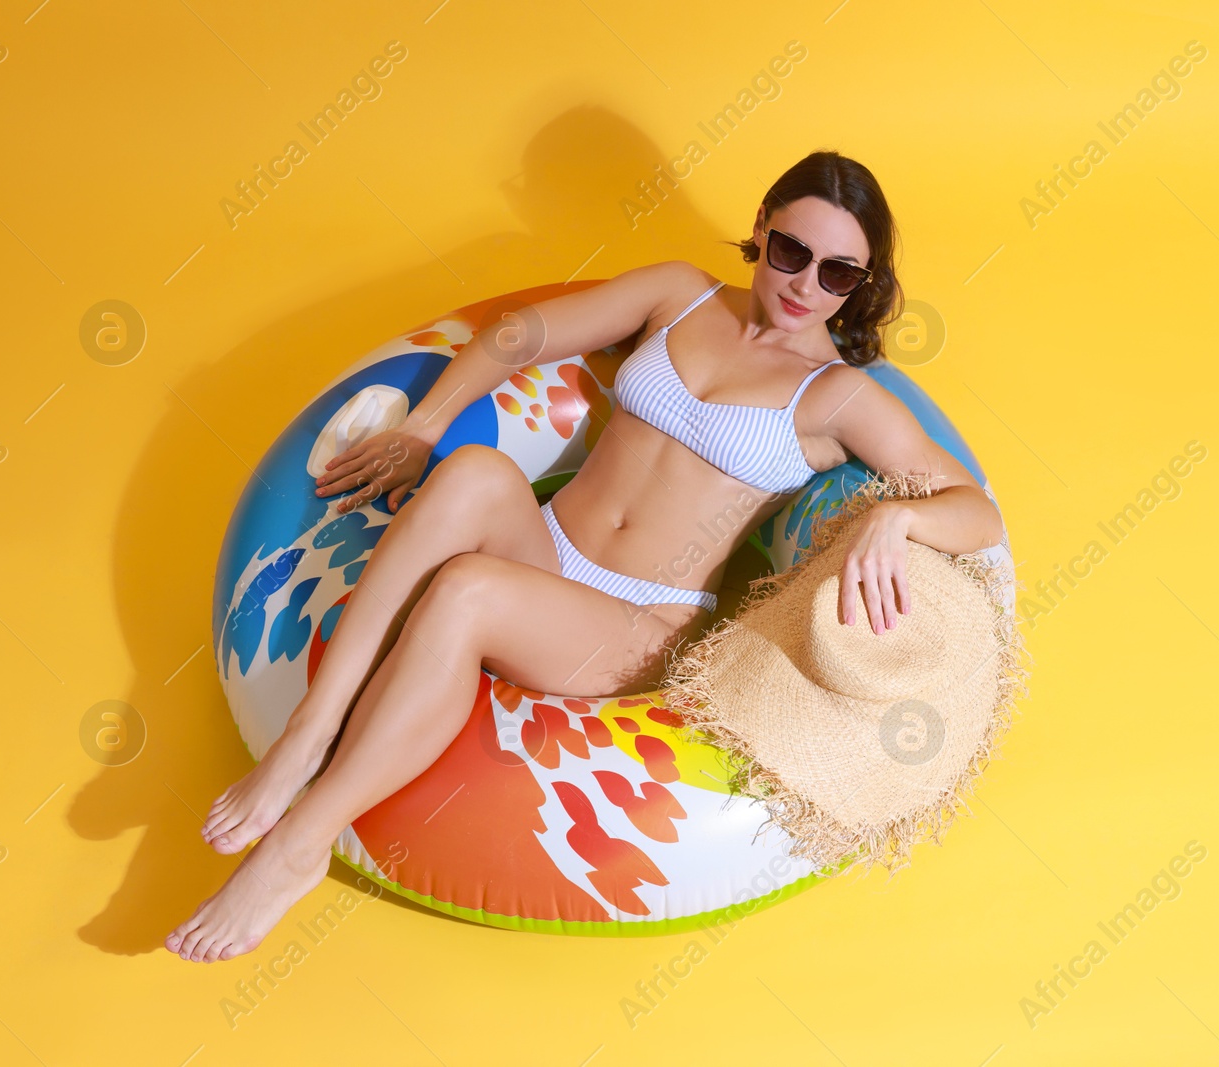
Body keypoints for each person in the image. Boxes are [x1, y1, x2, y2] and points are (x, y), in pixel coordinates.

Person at [165, 149, 1005, 962]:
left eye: (837, 274)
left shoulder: (838, 394)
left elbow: (975, 511)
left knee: (467, 590)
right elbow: (519, 336)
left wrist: (896, 520)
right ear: (761, 228)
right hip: (550, 550)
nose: (804, 285)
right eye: (791, 251)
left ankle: (299, 846)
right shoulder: (680, 293)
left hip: (639, 625)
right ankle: (305, 737)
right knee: (476, 472)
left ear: (861, 284)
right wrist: (423, 428)